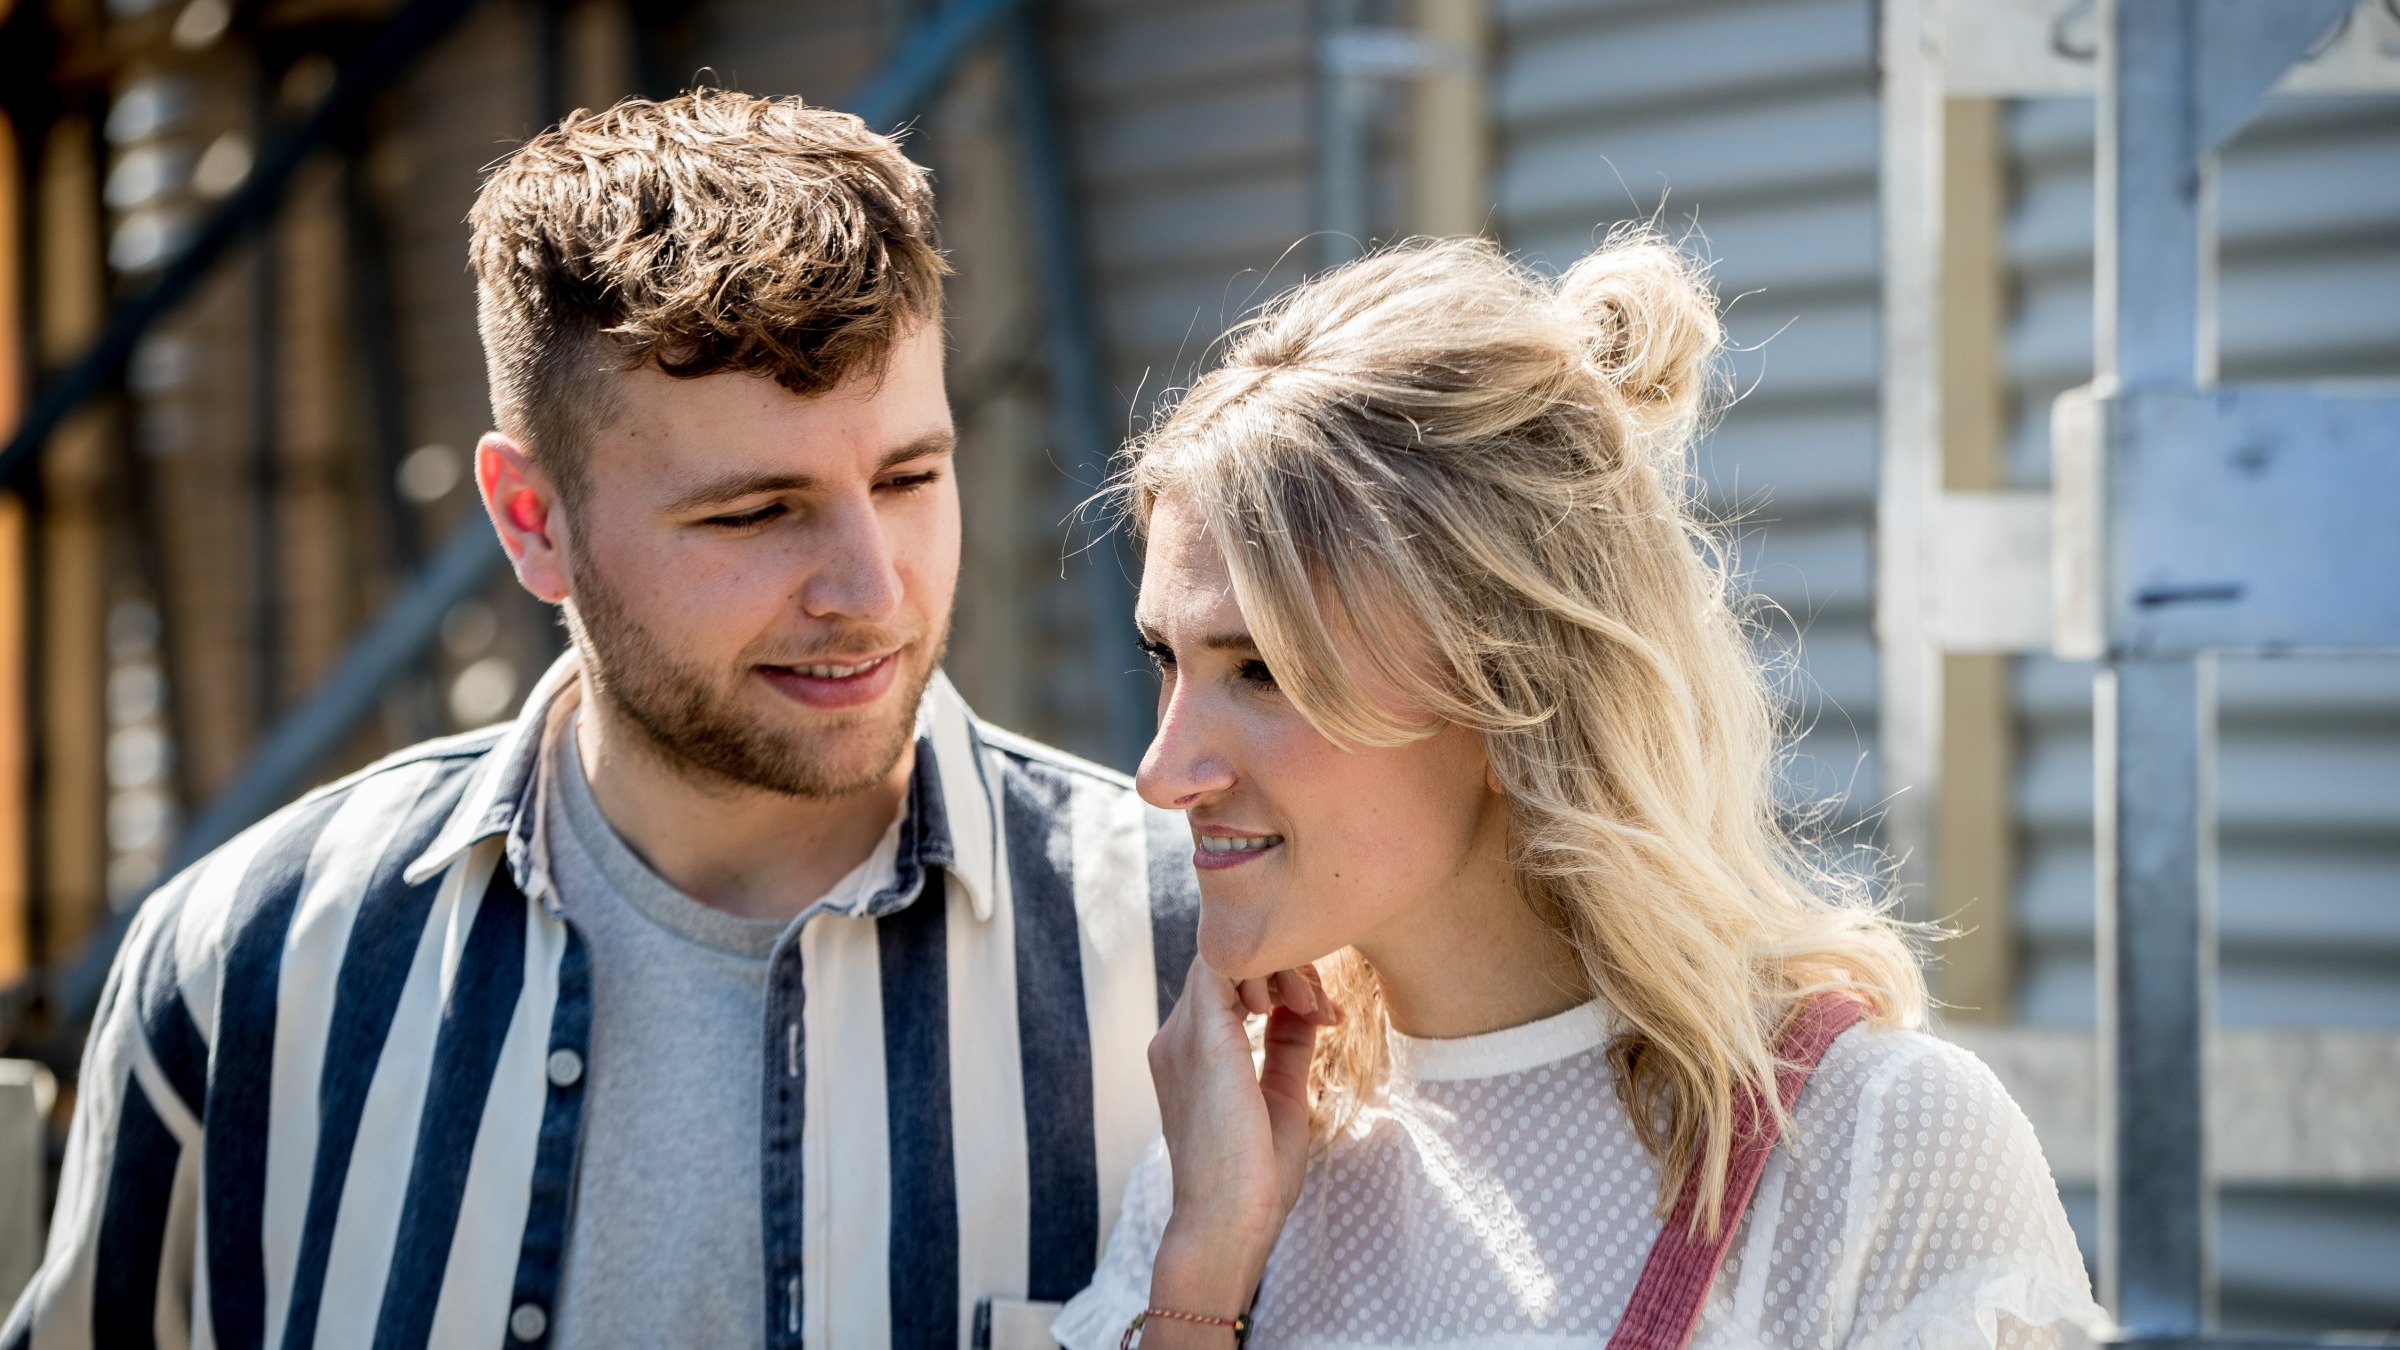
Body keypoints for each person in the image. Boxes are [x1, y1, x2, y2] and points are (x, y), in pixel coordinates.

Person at [5, 91, 1195, 1350]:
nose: (873, 587)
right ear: (532, 520)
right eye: (754, 514)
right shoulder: (246, 966)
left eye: (909, 477)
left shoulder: (1196, 955)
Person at [1054, 234, 2110, 1349]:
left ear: (1514, 691)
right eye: (1166, 659)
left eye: (1262, 670)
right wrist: (1201, 1278)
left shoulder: (1877, 1151)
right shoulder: (1227, 1165)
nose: (1162, 774)